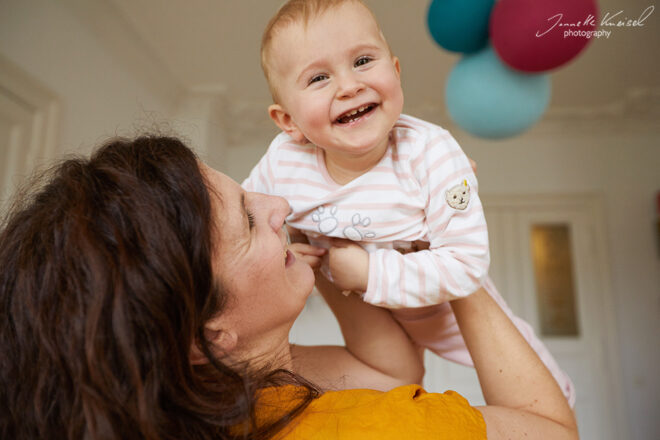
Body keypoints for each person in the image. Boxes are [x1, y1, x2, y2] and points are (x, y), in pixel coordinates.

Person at [0, 135, 578, 440]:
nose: (279, 204)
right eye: (249, 220)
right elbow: (552, 433)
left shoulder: (229, 389)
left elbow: (389, 372)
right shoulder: (365, 432)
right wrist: (453, 257)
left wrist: (319, 239)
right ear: (207, 335)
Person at [244, 0, 576, 405]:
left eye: (363, 60)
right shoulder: (284, 162)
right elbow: (246, 218)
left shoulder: (432, 153)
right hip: (367, 313)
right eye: (318, 78)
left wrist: (368, 272)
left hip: (439, 305)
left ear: (396, 73)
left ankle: (558, 396)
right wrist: (282, 254)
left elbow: (466, 265)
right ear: (288, 121)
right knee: (397, 385)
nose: (348, 85)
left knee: (526, 366)